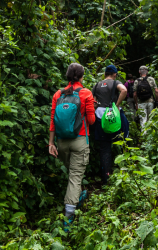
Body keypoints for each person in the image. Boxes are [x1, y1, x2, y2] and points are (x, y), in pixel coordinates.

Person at [48, 63, 95, 229]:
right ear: (81, 77)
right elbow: (91, 121)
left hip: (61, 142)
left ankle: (77, 196)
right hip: (80, 140)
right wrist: (91, 108)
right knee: (75, 176)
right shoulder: (86, 93)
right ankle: (68, 217)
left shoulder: (58, 94)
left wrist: (51, 143)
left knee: (72, 174)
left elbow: (53, 119)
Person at [92, 65, 128, 184]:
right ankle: (124, 172)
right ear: (114, 74)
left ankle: (105, 178)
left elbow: (94, 102)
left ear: (105, 74)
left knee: (104, 148)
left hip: (100, 117)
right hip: (114, 117)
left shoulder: (97, 85)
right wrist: (117, 104)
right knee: (123, 140)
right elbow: (124, 90)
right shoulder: (115, 82)